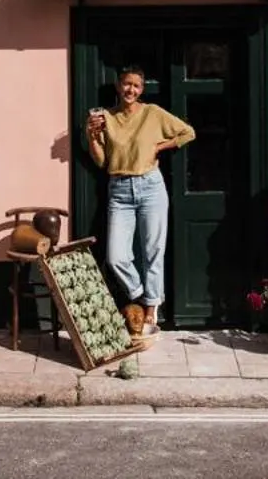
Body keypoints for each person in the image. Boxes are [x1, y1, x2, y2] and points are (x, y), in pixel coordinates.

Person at [84, 66, 195, 337]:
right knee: (115, 256)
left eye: (135, 85)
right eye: (126, 84)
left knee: (153, 251)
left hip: (151, 186)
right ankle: (141, 293)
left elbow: (187, 132)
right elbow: (102, 161)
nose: (130, 90)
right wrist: (91, 135)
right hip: (119, 190)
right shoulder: (106, 117)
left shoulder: (153, 113)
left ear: (141, 89)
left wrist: (159, 147)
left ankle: (150, 310)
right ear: (118, 86)